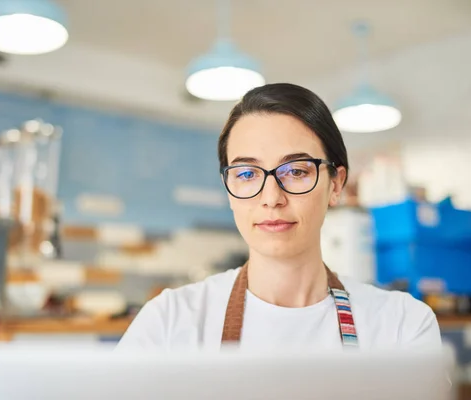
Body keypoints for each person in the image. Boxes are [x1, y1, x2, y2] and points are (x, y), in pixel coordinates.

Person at [117, 83, 441, 351]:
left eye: (296, 171)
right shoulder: (169, 321)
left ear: (336, 184)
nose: (271, 198)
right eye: (246, 173)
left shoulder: (402, 326)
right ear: (228, 188)